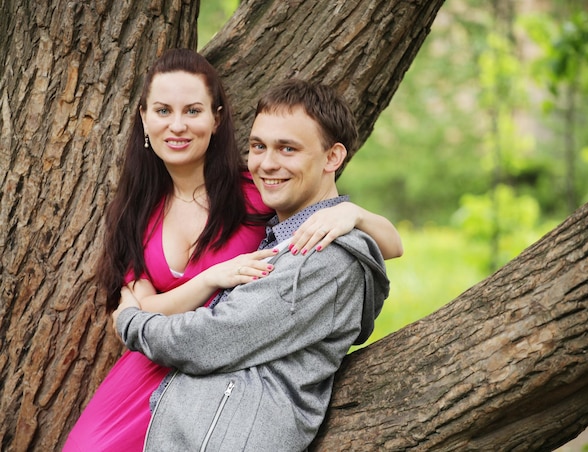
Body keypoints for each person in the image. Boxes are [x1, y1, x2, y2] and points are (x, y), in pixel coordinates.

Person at [64, 49, 401, 451]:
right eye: (258, 147)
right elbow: (136, 306)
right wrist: (201, 283)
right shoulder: (137, 210)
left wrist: (353, 213)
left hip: (210, 384)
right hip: (161, 369)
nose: (269, 163)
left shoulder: (258, 198)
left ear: (216, 118)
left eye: (192, 110)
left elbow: (384, 246)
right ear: (143, 118)